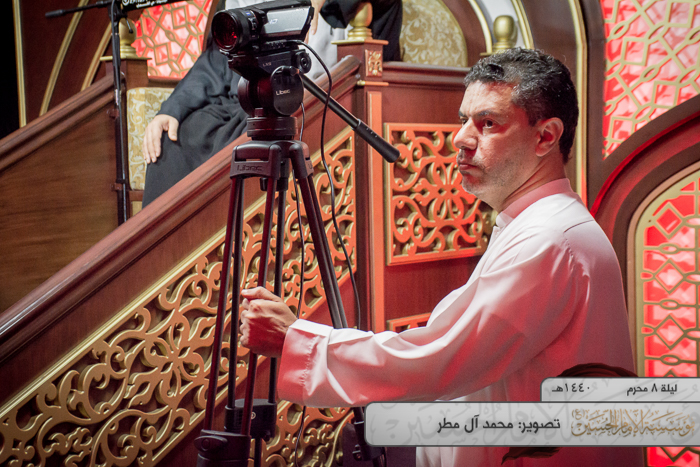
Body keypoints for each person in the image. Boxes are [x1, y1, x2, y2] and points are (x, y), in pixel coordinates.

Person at [238, 48, 643, 466]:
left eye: (488, 123)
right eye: (463, 119)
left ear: (545, 137)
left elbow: (440, 359)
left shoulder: (550, 238)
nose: (461, 138)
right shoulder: (541, 225)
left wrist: (296, 341)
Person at [141, 0, 402, 205]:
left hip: (317, 101)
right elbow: (215, 60)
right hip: (248, 98)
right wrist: (172, 109)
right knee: (175, 139)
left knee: (256, 138)